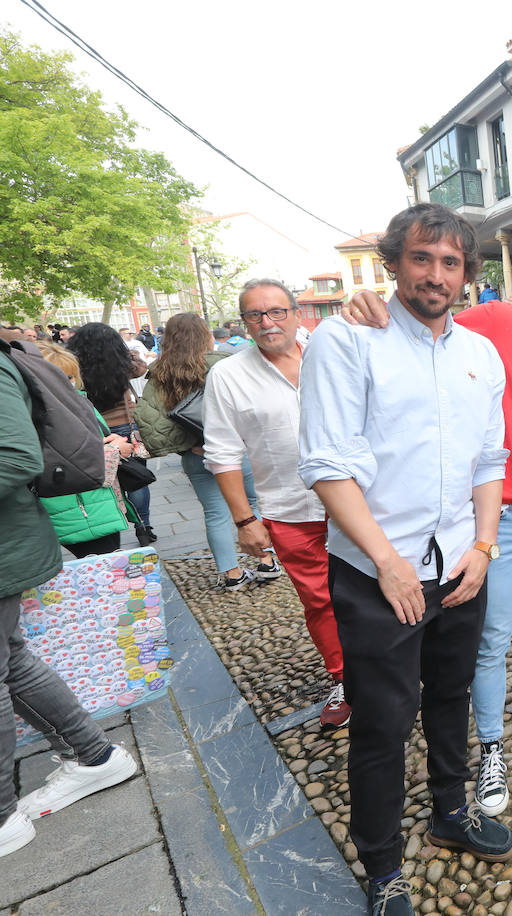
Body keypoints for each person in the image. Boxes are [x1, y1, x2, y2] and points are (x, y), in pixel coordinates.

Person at [346, 232, 512, 816]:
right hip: (497, 515)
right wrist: (365, 305)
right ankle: (491, 747)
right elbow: (421, 322)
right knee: (490, 637)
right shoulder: (498, 317)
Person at [299, 204, 512, 915]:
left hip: (459, 561)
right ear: (394, 262)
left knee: (450, 698)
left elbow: (491, 460)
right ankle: (384, 864)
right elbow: (328, 466)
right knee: (383, 722)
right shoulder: (345, 340)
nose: (436, 274)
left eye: (451, 262)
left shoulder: (480, 356)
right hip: (376, 572)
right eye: (422, 258)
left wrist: (483, 547)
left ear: (466, 274)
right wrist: (386, 561)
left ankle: (451, 812)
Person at [1, 343, 138, 860]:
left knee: (9, 660)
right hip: (39, 531)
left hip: (28, 534)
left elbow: (17, 453)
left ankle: (5, 814)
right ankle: (94, 754)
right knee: (13, 658)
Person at [203, 279, 349, 728]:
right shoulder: (228, 375)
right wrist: (245, 520)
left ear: (296, 312)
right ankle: (346, 680)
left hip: (362, 501)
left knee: (386, 588)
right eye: (255, 315)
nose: (267, 323)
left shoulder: (334, 350)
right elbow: (222, 454)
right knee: (321, 602)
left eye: (276, 312)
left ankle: (395, 669)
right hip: (292, 510)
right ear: (243, 322)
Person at [134, 314, 273, 590]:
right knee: (253, 505)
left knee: (215, 513)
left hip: (195, 455)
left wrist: (189, 443)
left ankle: (231, 574)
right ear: (204, 335)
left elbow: (151, 420)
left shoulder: (160, 373)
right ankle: (266, 561)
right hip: (236, 452)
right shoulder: (222, 364)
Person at [32, 341, 137, 558]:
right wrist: (114, 449)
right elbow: (63, 461)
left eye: (70, 377)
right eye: (61, 377)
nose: (68, 382)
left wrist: (110, 441)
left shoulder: (73, 402)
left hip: (91, 502)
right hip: (80, 507)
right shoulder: (45, 413)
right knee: (102, 569)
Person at [65, 323, 155, 545]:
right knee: (136, 478)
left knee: (106, 479)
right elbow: (142, 368)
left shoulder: (77, 366)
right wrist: (126, 353)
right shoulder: (122, 363)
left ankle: (110, 523)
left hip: (97, 428)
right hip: (126, 426)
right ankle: (143, 527)